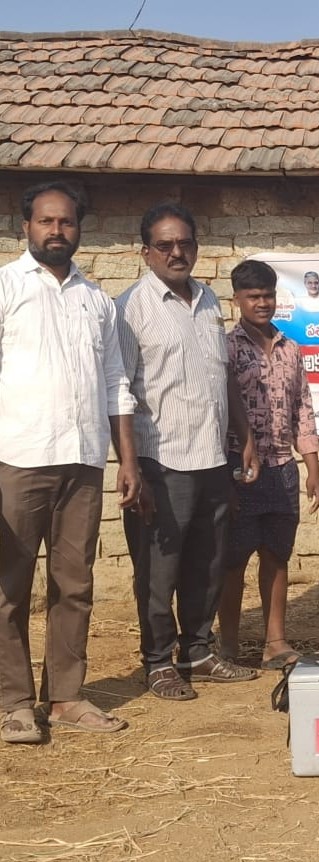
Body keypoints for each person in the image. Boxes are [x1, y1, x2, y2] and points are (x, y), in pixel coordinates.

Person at [0, 182, 139, 743]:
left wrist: (126, 460)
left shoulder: (96, 301)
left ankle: (65, 697)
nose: (57, 231)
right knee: (8, 586)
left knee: (74, 584)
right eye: (46, 221)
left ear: (80, 229)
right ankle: (13, 702)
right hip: (17, 457)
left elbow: (116, 382)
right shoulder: (6, 287)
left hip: (83, 460)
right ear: (26, 227)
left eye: (67, 222)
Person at [117, 202, 261, 701]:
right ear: (145, 252)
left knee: (208, 562)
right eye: (165, 245)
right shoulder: (130, 308)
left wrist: (244, 436)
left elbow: (222, 375)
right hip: (161, 461)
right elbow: (118, 390)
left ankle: (197, 651)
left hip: (212, 458)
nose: (176, 253)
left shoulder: (208, 300)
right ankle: (158, 661)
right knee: (159, 571)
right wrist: (130, 464)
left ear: (196, 248)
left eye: (185, 244)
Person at [217, 260, 319, 670]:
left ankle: (275, 642)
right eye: (253, 297)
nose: (262, 303)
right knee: (234, 559)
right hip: (237, 467)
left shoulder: (290, 349)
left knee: (277, 556)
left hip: (282, 467)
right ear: (237, 300)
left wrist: (312, 467)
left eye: (268, 296)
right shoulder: (226, 349)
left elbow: (303, 409)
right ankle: (227, 644)